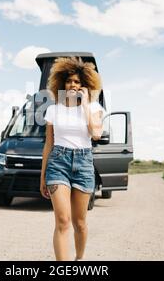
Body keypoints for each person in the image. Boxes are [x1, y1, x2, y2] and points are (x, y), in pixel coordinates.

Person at [40, 56, 106, 261]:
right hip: (58, 163)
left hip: (83, 164)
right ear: (62, 83)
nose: (72, 85)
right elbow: (48, 145)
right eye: (69, 81)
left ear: (85, 85)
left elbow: (95, 134)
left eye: (77, 82)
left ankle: (79, 258)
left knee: (80, 223)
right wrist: (42, 176)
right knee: (62, 221)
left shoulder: (95, 108)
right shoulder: (53, 109)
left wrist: (85, 104)